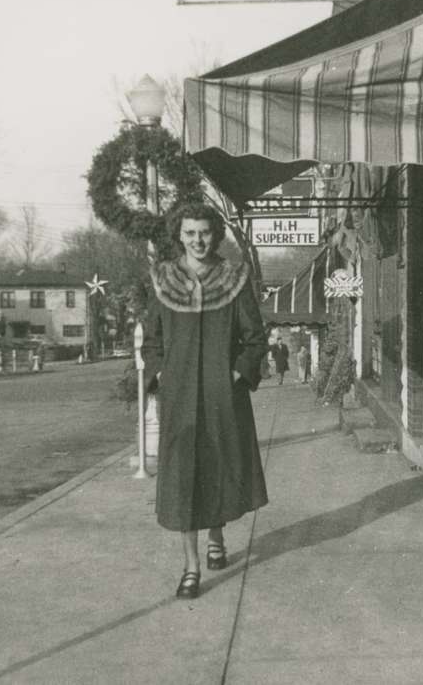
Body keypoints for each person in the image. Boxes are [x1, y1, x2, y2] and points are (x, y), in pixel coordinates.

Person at [142, 202, 268, 600]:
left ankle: (217, 535)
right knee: (182, 478)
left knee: (218, 468)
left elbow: (255, 338)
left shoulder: (233, 277)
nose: (198, 240)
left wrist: (235, 374)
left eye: (205, 233)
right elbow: (152, 341)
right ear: (179, 234)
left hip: (221, 398)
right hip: (179, 399)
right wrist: (161, 373)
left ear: (216, 235)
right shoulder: (163, 279)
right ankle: (191, 567)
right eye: (190, 233)